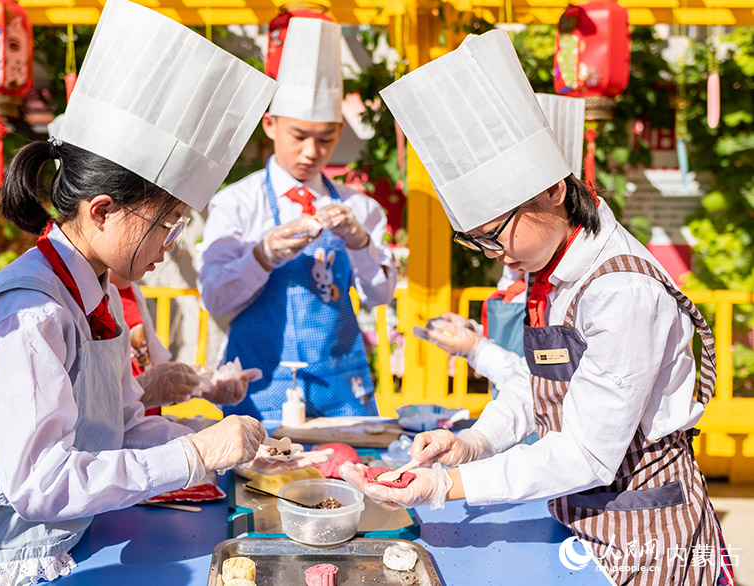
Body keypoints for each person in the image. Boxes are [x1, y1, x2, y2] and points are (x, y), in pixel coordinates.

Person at [0, 3, 331, 584]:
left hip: (69, 545)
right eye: (167, 223)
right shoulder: (29, 312)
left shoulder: (97, 288)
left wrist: (220, 443)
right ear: (103, 210)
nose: (170, 244)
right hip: (0, 564)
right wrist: (198, 453)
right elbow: (42, 484)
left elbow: (126, 429)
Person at [340, 30, 734, 586]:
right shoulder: (550, 266)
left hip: (643, 533)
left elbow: (587, 453)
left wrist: (449, 485)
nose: (495, 254)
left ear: (553, 190)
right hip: (576, 516)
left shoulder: (621, 292)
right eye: (477, 242)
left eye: (496, 234)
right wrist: (471, 443)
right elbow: (537, 386)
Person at [198, 16, 397, 420]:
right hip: (259, 383)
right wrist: (262, 255)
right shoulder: (237, 202)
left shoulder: (359, 207)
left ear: (339, 132)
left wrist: (359, 243)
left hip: (341, 388)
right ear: (270, 124)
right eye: (299, 136)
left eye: (325, 139)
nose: (311, 152)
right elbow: (214, 297)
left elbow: (380, 295)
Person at [108, 269, 255, 415]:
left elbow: (161, 374)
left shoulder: (131, 291)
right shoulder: (92, 303)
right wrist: (142, 391)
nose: (166, 250)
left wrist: (208, 383)